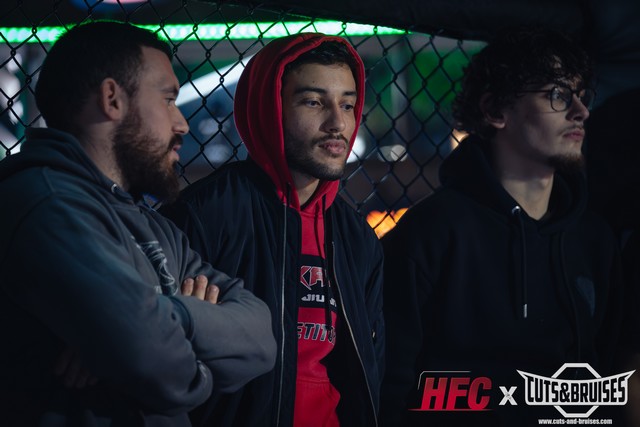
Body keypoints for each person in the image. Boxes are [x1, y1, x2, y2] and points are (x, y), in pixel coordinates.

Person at [0, 20, 276, 427]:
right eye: (168, 99)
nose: (182, 123)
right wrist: (197, 361)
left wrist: (172, 316)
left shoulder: (152, 224)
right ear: (112, 99)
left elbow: (261, 340)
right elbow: (157, 366)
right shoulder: (46, 204)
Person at [380, 27, 623, 426]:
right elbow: (390, 388)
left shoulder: (593, 239)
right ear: (495, 111)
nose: (581, 111)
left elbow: (610, 379)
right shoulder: (431, 234)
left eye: (582, 95)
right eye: (558, 95)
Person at [161, 33, 384, 426]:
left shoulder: (356, 237)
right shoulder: (205, 215)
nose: (337, 123)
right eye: (313, 102)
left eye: (347, 104)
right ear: (270, 108)